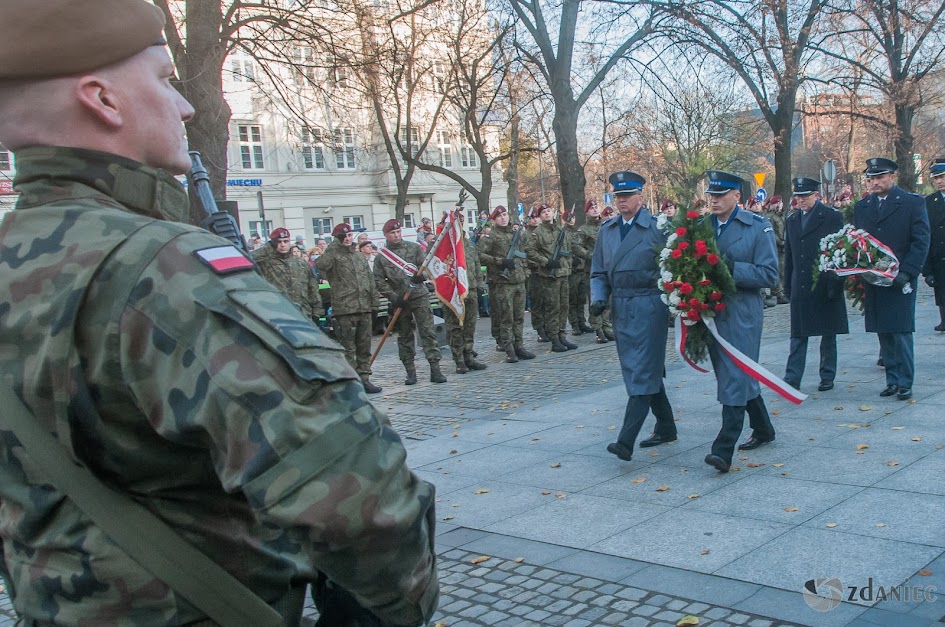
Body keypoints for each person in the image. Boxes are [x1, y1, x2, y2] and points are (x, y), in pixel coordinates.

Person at [0, 2, 439, 625]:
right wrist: (399, 606)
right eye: (163, 80)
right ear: (103, 99)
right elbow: (358, 495)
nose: (186, 107)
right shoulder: (161, 267)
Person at [590, 171, 677, 460]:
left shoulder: (657, 228)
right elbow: (598, 271)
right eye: (618, 197)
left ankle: (625, 440)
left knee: (641, 371)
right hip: (622, 308)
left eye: (627, 196)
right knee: (642, 368)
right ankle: (666, 426)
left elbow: (673, 265)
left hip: (650, 304)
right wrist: (599, 297)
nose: (622, 201)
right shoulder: (608, 230)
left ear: (641, 196)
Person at [702, 170, 779, 473]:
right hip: (710, 314)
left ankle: (723, 449)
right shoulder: (701, 227)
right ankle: (763, 428)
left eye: (721, 195)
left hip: (742, 313)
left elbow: (769, 275)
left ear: (737, 196)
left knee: (735, 376)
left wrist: (733, 269)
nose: (715, 200)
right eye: (712, 194)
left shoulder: (757, 227)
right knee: (731, 374)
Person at [854, 157, 930, 400]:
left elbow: (921, 241)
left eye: (879, 177)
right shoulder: (863, 207)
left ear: (892, 177)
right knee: (883, 330)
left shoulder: (911, 203)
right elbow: (858, 242)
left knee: (901, 330)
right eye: (871, 178)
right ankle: (892, 379)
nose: (874, 182)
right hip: (874, 278)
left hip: (900, 277)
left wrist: (908, 272)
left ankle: (905, 381)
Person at [782, 177, 848, 391]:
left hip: (825, 282)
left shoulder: (831, 217)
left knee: (828, 332)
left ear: (816, 195)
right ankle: (792, 377)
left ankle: (827, 375)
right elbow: (789, 256)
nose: (801, 200)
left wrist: (837, 282)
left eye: (805, 196)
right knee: (798, 333)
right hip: (800, 282)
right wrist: (787, 286)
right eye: (798, 197)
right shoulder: (792, 220)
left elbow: (841, 250)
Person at [374, 219, 447, 384]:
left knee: (427, 332)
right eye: (392, 233)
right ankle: (411, 372)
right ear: (386, 235)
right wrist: (394, 297)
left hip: (419, 296)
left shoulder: (413, 248)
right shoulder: (382, 257)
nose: (396, 235)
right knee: (405, 336)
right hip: (400, 300)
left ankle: (435, 369)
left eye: (398, 232)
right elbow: (379, 281)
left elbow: (426, 267)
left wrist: (423, 276)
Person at [316, 223, 383, 394]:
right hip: (345, 309)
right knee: (348, 348)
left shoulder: (359, 256)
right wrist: (333, 246)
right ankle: (351, 382)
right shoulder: (333, 255)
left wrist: (374, 304)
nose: (347, 239)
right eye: (342, 236)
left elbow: (369, 280)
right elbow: (321, 265)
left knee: (364, 347)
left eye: (348, 235)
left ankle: (365, 379)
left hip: (364, 307)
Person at [477, 205, 535, 362]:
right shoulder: (491, 237)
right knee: (506, 317)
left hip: (519, 280)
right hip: (503, 282)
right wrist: (500, 261)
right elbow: (479, 255)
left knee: (519, 316)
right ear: (494, 219)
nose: (503, 218)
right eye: (499, 216)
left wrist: (526, 272)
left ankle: (519, 345)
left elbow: (524, 255)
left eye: (505, 215)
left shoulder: (515, 234)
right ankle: (508, 348)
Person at [524, 204, 578, 352]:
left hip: (564, 273)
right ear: (540, 216)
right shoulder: (537, 233)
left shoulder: (561, 230)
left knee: (564, 306)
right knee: (553, 307)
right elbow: (529, 251)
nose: (547, 214)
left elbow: (569, 247)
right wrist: (546, 261)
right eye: (543, 212)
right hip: (549, 275)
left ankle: (562, 335)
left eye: (548, 211)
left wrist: (573, 260)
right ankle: (554, 338)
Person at [444, 215, 488, 373]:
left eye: (461, 222)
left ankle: (469, 356)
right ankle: (459, 360)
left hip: (471, 289)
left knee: (470, 326)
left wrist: (479, 284)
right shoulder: (443, 245)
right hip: (453, 293)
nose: (459, 225)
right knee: (455, 327)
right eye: (456, 223)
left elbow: (476, 264)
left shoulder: (468, 243)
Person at [254, 228, 325, 323]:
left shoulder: (301, 263)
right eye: (279, 242)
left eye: (285, 241)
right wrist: (268, 247)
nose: (283, 245)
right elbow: (248, 258)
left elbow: (313, 288)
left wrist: (317, 312)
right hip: (278, 313)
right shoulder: (265, 263)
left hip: (303, 313)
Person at [578, 199, 614, 343]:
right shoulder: (584, 230)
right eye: (591, 208)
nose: (594, 209)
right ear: (586, 212)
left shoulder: (606, 226)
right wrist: (589, 255)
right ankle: (598, 330)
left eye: (596, 207)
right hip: (592, 270)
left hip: (608, 267)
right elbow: (576, 245)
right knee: (596, 300)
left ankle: (607, 327)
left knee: (608, 301)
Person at [923, 158, 945, 331]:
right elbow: (926, 234)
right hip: (939, 255)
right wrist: (927, 269)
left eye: (943, 177)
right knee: (941, 289)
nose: (939, 181)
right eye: (937, 178)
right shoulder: (929, 202)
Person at [565, 207, 594, 335]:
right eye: (569, 218)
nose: (572, 219)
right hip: (571, 270)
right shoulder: (563, 233)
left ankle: (582, 322)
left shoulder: (578, 231)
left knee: (582, 299)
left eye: (573, 217)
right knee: (573, 299)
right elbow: (564, 250)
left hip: (582, 269)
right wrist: (572, 260)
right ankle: (575, 324)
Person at [525, 206, 547, 341]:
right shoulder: (525, 235)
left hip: (546, 271)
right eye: (532, 217)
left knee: (547, 302)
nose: (534, 220)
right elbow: (525, 253)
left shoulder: (544, 232)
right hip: (534, 272)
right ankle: (540, 329)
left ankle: (548, 327)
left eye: (536, 217)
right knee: (537, 302)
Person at [762, 195, 789, 305]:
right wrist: (781, 242)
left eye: (780, 202)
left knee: (782, 269)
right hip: (776, 245)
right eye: (776, 203)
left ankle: (781, 290)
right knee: (776, 269)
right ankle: (777, 292)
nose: (779, 205)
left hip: (783, 245)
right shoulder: (770, 217)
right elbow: (772, 232)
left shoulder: (782, 216)